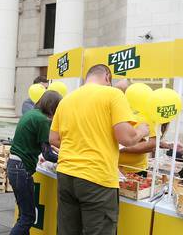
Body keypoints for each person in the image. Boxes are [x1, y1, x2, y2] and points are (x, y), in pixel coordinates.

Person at [49, 64, 149, 235]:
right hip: (97, 177)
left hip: (66, 174)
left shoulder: (67, 99)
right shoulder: (113, 94)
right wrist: (142, 130)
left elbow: (53, 138)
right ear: (108, 77)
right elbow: (126, 138)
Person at [8, 90, 60, 235]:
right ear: (53, 106)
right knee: (28, 217)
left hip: (14, 165)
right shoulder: (43, 120)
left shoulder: (31, 114)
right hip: (21, 169)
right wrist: (66, 158)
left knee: (24, 216)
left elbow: (39, 146)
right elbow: (47, 153)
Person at [114, 80, 156, 176]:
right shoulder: (114, 112)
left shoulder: (147, 115)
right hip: (112, 167)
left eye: (121, 92)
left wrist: (122, 148)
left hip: (135, 170)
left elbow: (151, 145)